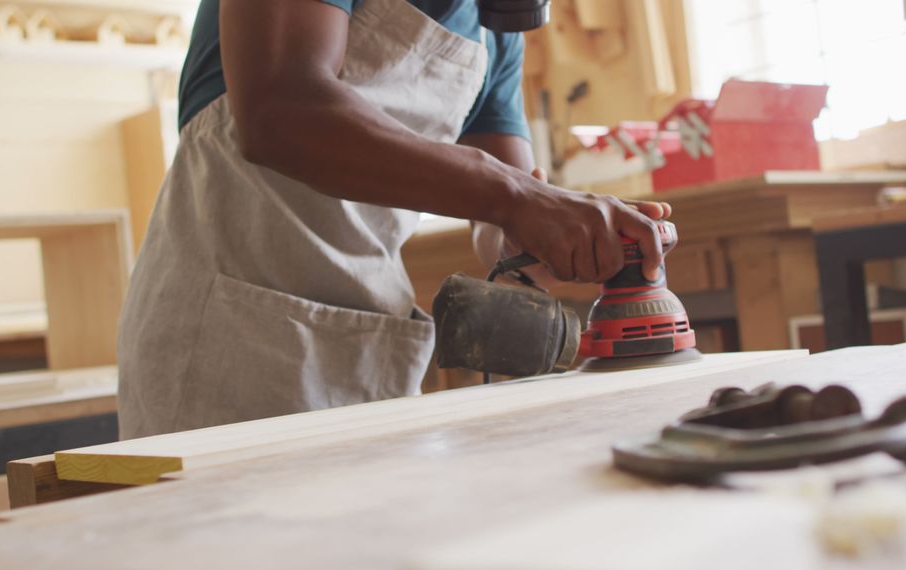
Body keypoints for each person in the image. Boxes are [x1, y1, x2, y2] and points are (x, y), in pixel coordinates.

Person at [117, 0, 673, 439]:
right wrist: (521, 198)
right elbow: (280, 108)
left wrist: (572, 234)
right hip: (225, 333)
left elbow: (506, 223)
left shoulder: (493, 29)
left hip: (361, 340)